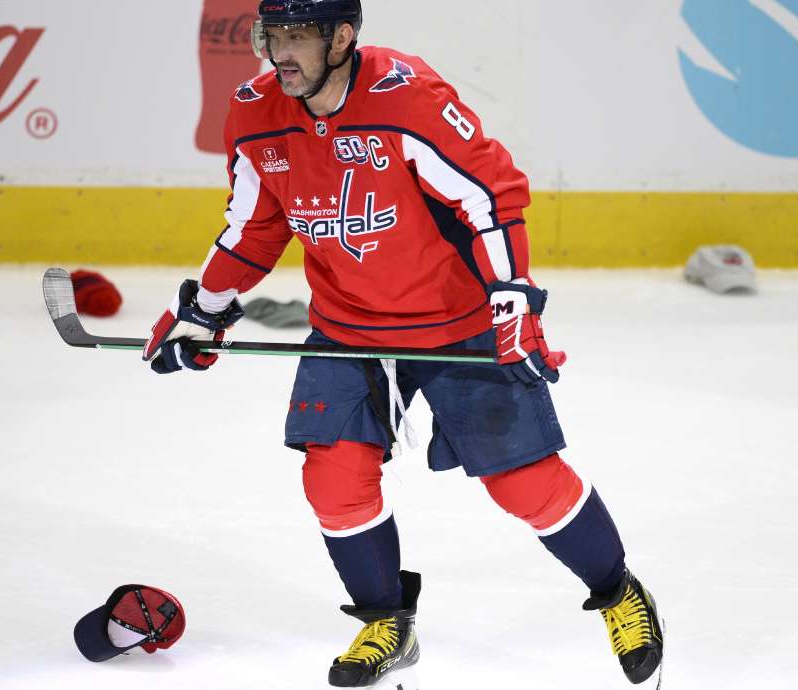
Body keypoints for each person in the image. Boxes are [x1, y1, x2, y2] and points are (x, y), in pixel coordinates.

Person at [142, 1, 664, 686]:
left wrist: (514, 302)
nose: (282, 53)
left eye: (300, 37)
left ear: (343, 38)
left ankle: (619, 590)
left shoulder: (407, 98)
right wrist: (204, 312)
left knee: (524, 481)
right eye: (275, 37)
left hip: (457, 321)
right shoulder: (254, 113)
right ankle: (385, 621)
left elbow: (491, 196)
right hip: (348, 326)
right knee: (332, 480)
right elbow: (252, 228)